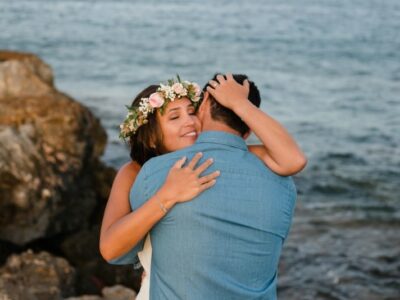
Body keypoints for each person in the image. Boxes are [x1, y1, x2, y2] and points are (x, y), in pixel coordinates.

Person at [100, 74, 306, 299]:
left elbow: (289, 158)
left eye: (192, 111)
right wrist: (168, 195)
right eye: (174, 117)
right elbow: (112, 249)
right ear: (151, 138)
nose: (189, 122)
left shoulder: (218, 156)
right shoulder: (136, 173)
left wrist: (239, 103)